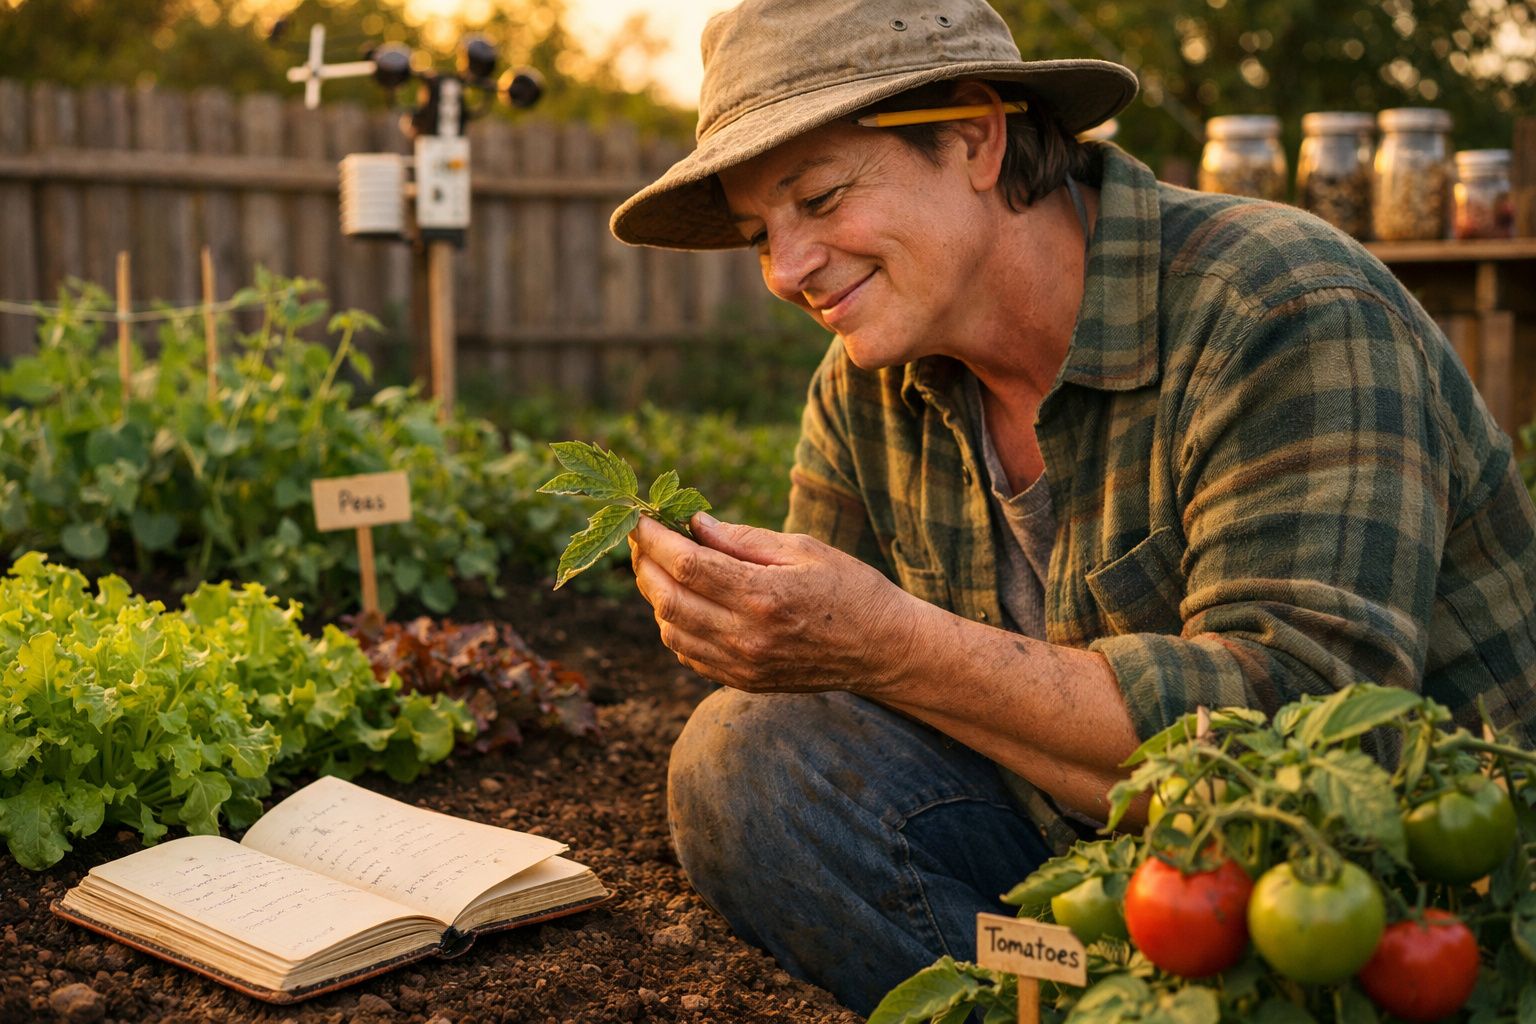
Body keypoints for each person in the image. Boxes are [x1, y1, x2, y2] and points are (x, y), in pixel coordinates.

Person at [609, 0, 1536, 1014]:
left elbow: (1307, 746)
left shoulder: (1281, 307)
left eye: (821, 197)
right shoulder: (865, 386)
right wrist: (773, 630)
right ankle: (1077, 999)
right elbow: (829, 692)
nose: (787, 271)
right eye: (759, 235)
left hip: (1385, 897)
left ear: (972, 135)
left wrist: (887, 642)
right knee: (747, 760)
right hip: (1116, 869)